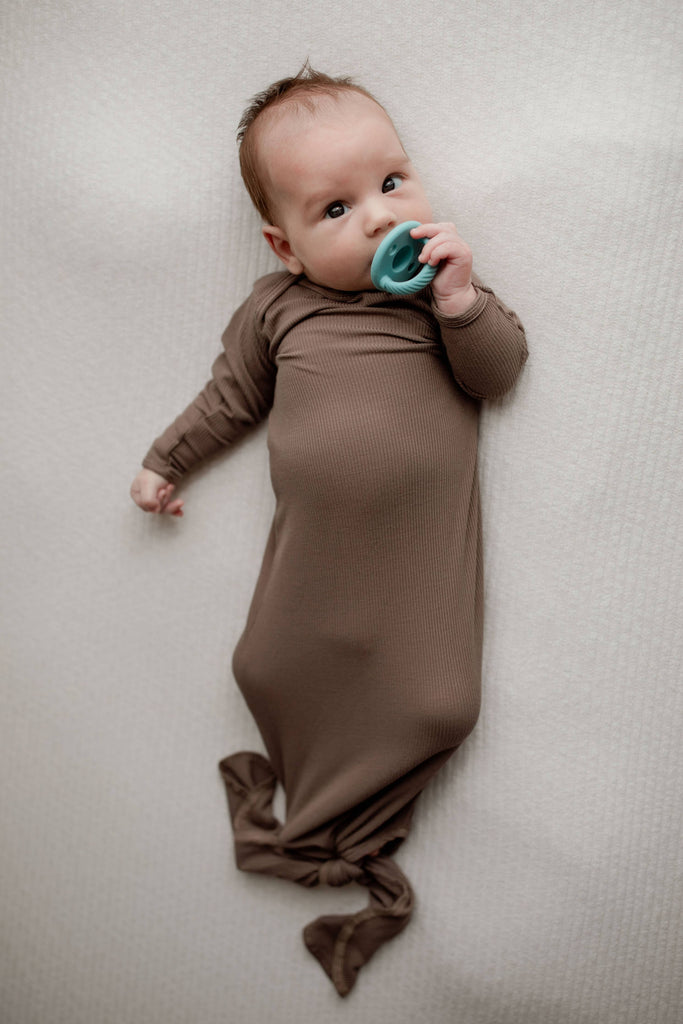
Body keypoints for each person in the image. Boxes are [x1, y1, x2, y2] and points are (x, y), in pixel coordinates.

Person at [130, 66, 528, 997]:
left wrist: (461, 297)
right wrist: (164, 461)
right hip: (310, 564)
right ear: (285, 245)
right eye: (336, 209)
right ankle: (308, 826)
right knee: (263, 665)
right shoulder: (278, 309)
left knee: (440, 705)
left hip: (421, 572)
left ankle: (336, 843)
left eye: (391, 184)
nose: (380, 219)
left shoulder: (436, 298)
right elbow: (229, 399)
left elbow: (499, 370)